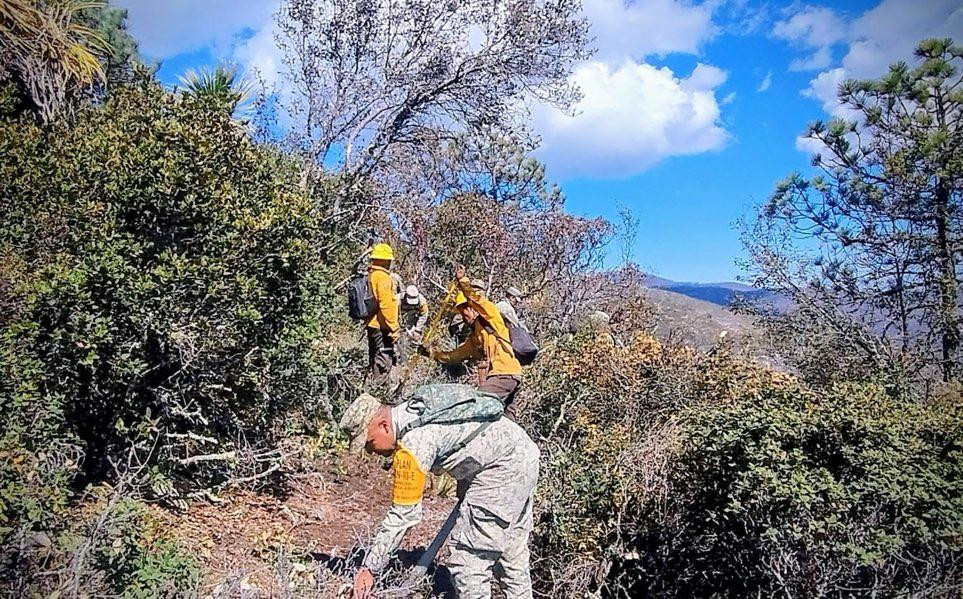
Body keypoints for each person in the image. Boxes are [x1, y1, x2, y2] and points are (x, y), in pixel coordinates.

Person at [340, 392, 539, 599]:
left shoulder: (413, 444)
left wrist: (369, 568)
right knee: (511, 555)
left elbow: (403, 515)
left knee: (468, 563)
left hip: (502, 467)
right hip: (523, 453)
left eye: (369, 442)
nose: (370, 451)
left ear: (384, 426)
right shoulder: (416, 409)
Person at [419, 266, 523, 405]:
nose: (463, 314)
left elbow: (477, 299)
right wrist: (430, 353)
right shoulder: (474, 338)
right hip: (507, 377)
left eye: (465, 309)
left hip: (504, 373)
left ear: (472, 307)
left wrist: (463, 281)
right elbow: (453, 356)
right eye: (461, 311)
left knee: (477, 405)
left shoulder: (492, 317)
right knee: (504, 421)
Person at [366, 243, 400, 388]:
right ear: (384, 260)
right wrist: (394, 328)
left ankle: (375, 389)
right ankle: (378, 393)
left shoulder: (371, 275)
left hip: (372, 325)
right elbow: (386, 304)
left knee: (375, 358)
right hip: (382, 326)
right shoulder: (382, 277)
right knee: (383, 361)